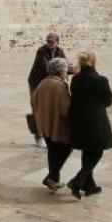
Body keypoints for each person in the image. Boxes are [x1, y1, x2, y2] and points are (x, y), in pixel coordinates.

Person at [66, 51, 112, 199]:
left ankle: (89, 187)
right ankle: (77, 181)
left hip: (79, 120)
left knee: (88, 151)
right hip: (95, 121)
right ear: (94, 62)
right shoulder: (100, 80)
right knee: (96, 152)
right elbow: (108, 100)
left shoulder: (76, 79)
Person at [33, 57, 72, 191]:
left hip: (44, 124)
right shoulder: (60, 86)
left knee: (52, 152)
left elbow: (34, 102)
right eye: (66, 70)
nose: (67, 72)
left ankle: (53, 179)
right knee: (67, 147)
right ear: (61, 71)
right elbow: (65, 110)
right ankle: (51, 177)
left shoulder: (42, 83)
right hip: (57, 126)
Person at [27, 32, 68, 149]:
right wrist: (61, 68)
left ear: (57, 42)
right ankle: (38, 136)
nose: (49, 43)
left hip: (50, 82)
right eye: (48, 41)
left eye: (52, 42)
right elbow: (47, 67)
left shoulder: (60, 51)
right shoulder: (41, 51)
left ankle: (49, 133)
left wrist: (69, 69)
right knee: (36, 107)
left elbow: (63, 66)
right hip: (36, 83)